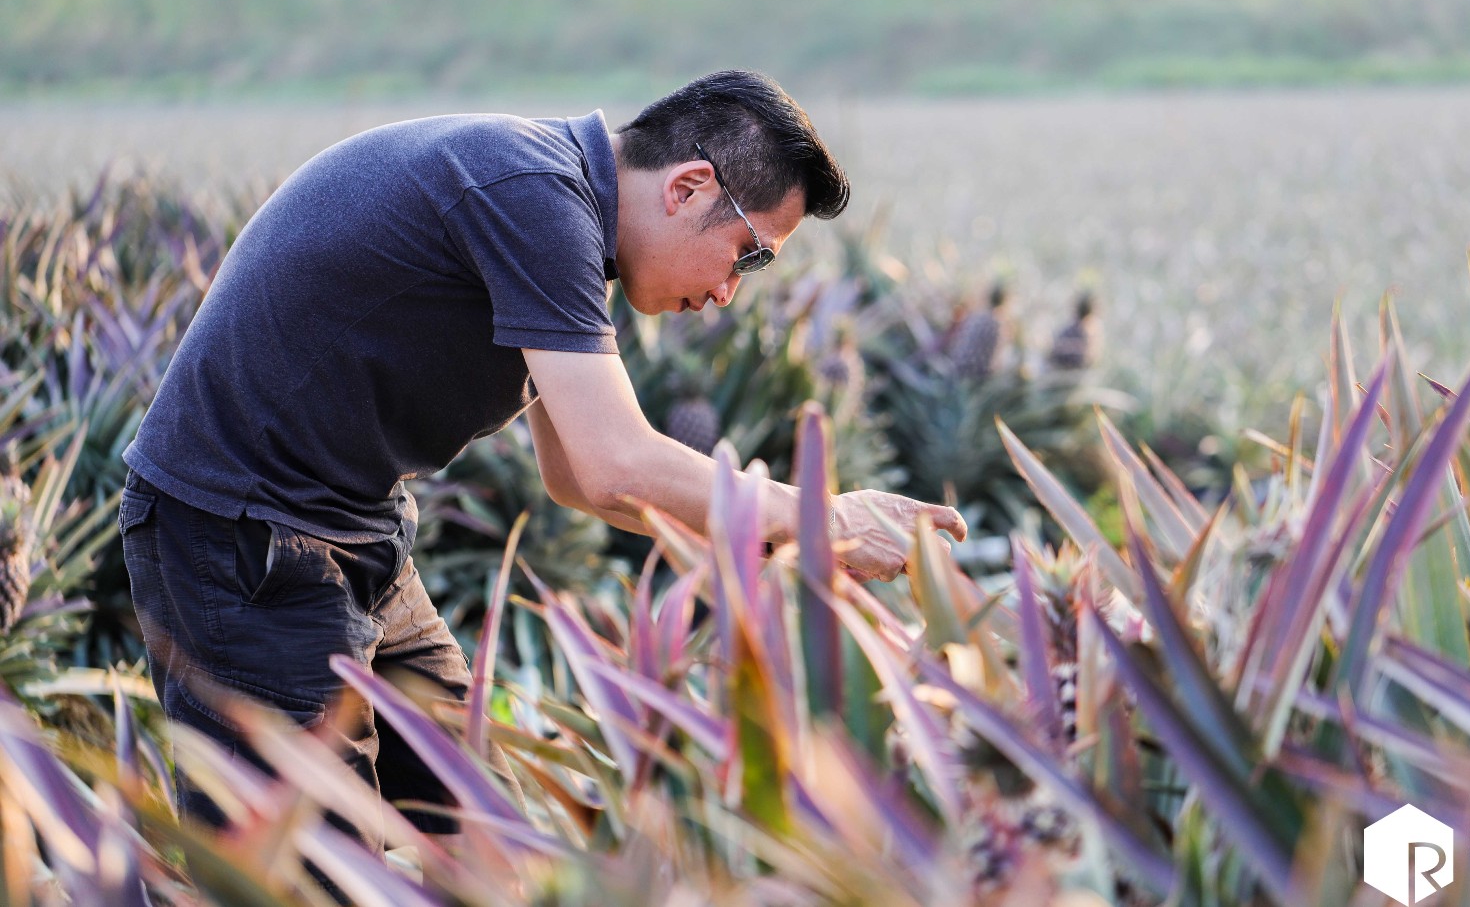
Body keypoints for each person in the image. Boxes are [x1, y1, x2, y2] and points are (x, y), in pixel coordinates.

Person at [117, 69, 966, 859]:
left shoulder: (568, 225)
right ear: (687, 188)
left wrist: (790, 548)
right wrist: (821, 514)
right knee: (304, 869)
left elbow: (573, 479)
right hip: (238, 538)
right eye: (747, 256)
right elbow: (613, 463)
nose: (726, 292)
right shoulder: (530, 193)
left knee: (479, 835)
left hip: (352, 530)